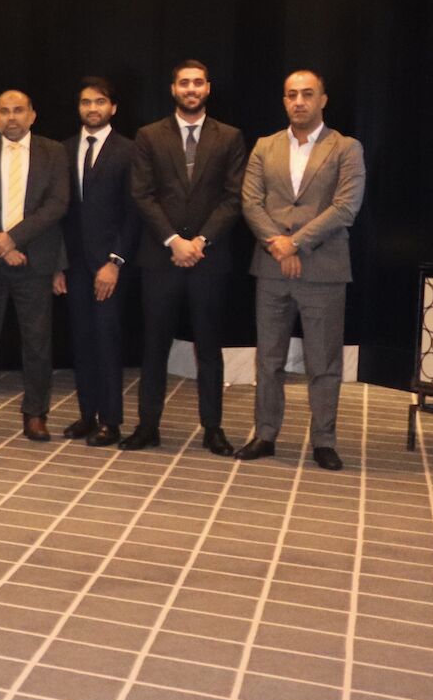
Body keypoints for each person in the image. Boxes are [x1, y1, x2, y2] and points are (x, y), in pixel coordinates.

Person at [237, 70, 365, 470]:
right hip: (272, 268)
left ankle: (324, 441)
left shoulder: (346, 148)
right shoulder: (265, 146)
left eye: (307, 94)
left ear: (323, 100)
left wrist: (295, 243)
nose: (299, 101)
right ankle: (265, 434)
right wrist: (278, 244)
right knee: (268, 359)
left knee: (323, 363)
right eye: (291, 94)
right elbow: (250, 203)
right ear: (284, 100)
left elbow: (345, 207)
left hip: (323, 271)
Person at [125, 60, 246, 456]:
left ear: (207, 88)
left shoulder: (230, 137)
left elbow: (234, 197)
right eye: (184, 83)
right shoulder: (148, 135)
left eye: (197, 83)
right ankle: (148, 426)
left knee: (209, 348)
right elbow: (142, 194)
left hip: (209, 259)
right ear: (173, 89)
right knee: (154, 347)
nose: (191, 89)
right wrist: (174, 241)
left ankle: (213, 428)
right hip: (161, 258)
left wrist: (200, 241)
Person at [0, 90, 68, 441]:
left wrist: (15, 239)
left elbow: (57, 204)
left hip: (35, 260)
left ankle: (35, 414)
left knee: (37, 342)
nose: (12, 117)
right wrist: (1, 243)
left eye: (18, 110)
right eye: (4, 111)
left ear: (32, 115)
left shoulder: (54, 151)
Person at [53, 78, 139, 447]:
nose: (92, 108)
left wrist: (114, 262)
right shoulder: (64, 149)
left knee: (107, 342)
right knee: (82, 341)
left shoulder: (129, 151)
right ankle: (87, 415)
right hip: (73, 265)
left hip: (110, 266)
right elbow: (58, 213)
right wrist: (57, 264)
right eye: (86, 102)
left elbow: (134, 213)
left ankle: (111, 421)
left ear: (113, 108)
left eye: (100, 102)